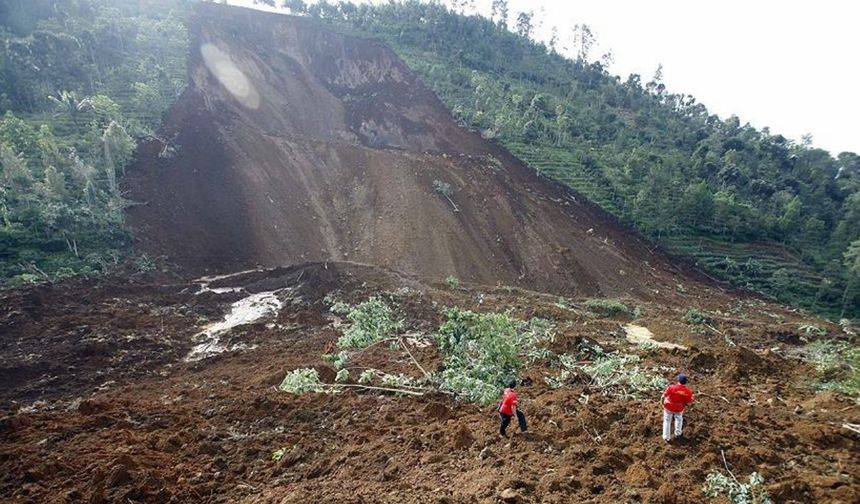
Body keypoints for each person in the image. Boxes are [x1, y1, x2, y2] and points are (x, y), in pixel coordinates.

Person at [661, 373, 693, 442]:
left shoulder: (671, 387)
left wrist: (662, 404)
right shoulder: (688, 392)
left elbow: (663, 396)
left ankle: (666, 437)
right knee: (679, 419)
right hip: (679, 408)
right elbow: (689, 401)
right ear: (686, 382)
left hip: (669, 406)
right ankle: (678, 433)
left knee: (667, 420)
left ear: (678, 380)